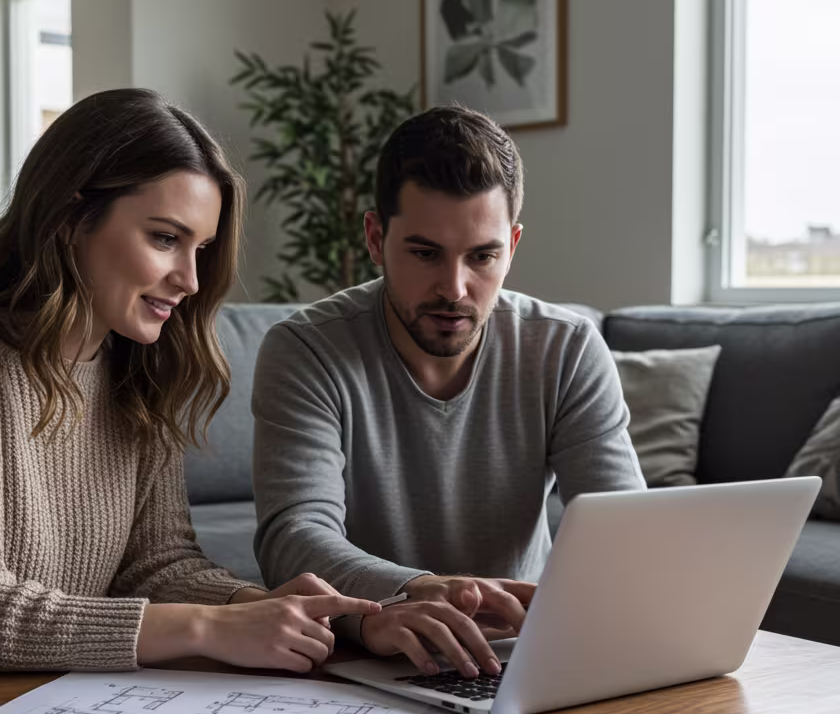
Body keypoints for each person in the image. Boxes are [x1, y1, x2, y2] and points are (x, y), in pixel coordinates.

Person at [0, 89, 380, 674]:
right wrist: (209, 626)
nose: (190, 279)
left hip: (51, 696)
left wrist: (259, 607)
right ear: (69, 220)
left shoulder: (139, 370)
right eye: (165, 238)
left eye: (201, 248)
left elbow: (157, 566)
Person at [252, 105, 645, 680]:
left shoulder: (567, 348)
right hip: (372, 655)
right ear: (375, 238)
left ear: (512, 246)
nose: (455, 288)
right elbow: (293, 538)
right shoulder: (306, 349)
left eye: (482, 256)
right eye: (425, 253)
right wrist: (410, 589)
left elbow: (623, 532)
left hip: (520, 657)